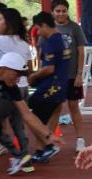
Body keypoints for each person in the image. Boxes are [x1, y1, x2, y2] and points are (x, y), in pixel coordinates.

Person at [27, 11, 69, 164]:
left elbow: (49, 68)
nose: (37, 32)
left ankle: (47, 146)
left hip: (51, 86)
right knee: (44, 118)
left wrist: (34, 76)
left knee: (32, 117)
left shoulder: (51, 41)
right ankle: (42, 149)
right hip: (60, 84)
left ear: (44, 25)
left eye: (38, 28)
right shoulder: (63, 39)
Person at [52, 0, 89, 153]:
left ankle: (80, 139)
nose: (61, 13)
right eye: (58, 11)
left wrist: (80, 74)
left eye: (63, 10)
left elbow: (81, 52)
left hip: (72, 75)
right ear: (53, 12)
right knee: (55, 108)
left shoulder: (74, 28)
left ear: (67, 11)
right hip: (55, 77)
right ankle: (51, 141)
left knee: (74, 107)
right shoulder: (50, 28)